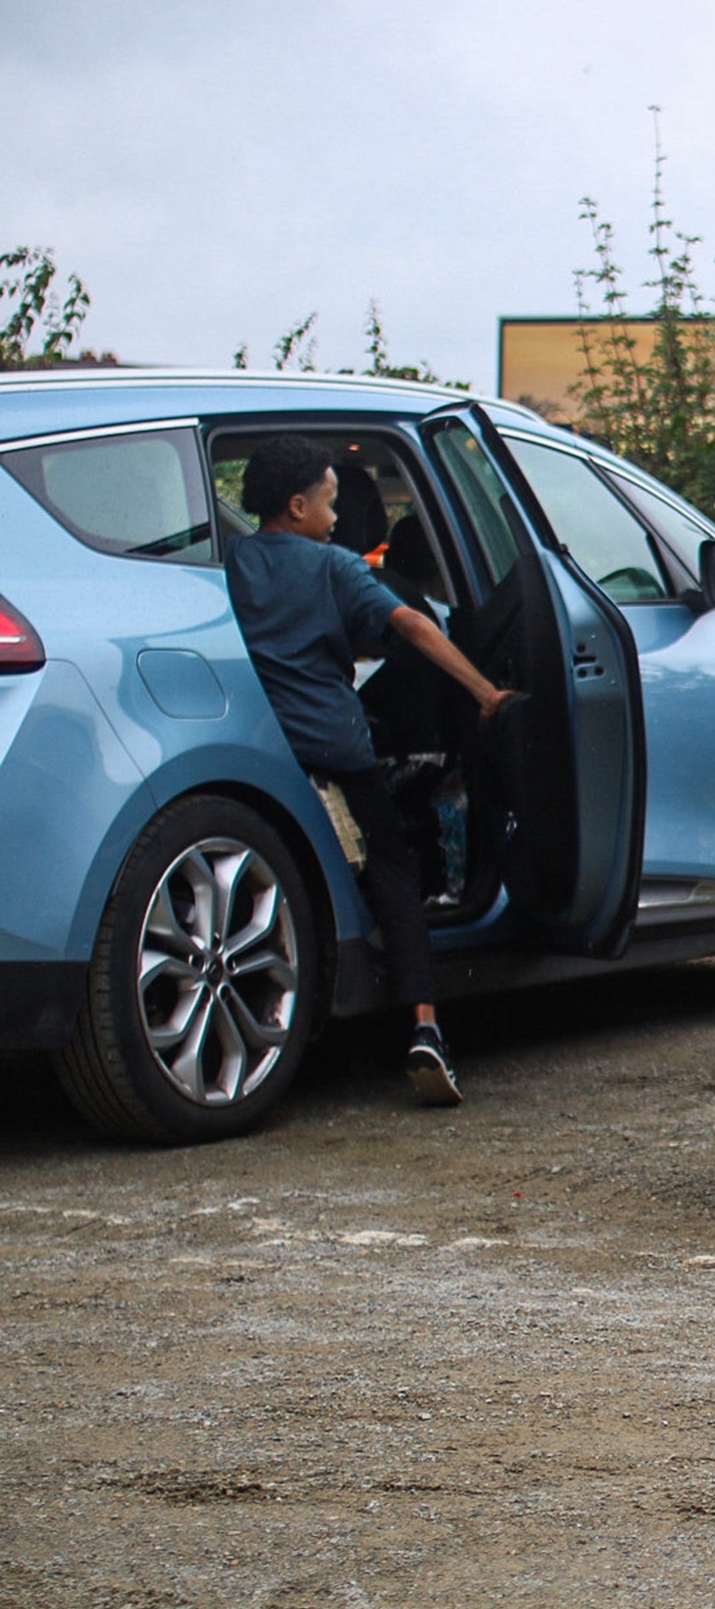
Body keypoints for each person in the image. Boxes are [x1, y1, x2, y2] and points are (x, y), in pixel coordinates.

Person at [225, 435, 518, 1106]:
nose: (338, 516)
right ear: (298, 506)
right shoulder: (332, 567)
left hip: (267, 746)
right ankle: (423, 1026)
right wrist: (484, 692)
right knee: (392, 865)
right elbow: (411, 624)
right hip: (337, 746)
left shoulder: (233, 559)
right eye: (330, 502)